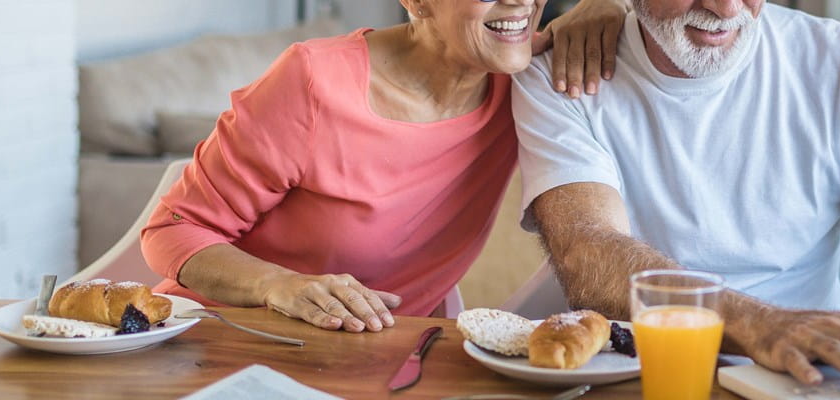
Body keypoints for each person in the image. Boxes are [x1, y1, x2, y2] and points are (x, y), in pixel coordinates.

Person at [508, 0, 840, 389]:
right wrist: (759, 326)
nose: (725, 9)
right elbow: (588, 251)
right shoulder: (563, 74)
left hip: (814, 375)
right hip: (649, 374)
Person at [139, 0, 621, 333]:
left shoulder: (527, 82)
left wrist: (611, 7)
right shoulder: (314, 82)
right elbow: (173, 230)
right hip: (232, 339)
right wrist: (276, 284)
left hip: (379, 357)